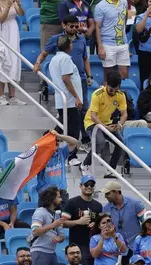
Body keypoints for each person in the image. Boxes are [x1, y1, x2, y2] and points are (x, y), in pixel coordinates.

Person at [34, 15, 91, 117]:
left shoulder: (82, 39)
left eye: (76, 27)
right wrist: (38, 63)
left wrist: (89, 75)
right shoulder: (56, 39)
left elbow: (85, 58)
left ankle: (84, 132)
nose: (74, 29)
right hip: (66, 80)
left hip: (81, 78)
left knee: (84, 109)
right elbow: (44, 54)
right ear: (63, 25)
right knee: (68, 112)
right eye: (71, 26)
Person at [80, 71, 129, 177]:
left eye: (115, 89)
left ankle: (110, 169)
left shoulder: (120, 95)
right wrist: (104, 127)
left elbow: (124, 114)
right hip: (92, 123)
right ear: (106, 84)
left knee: (121, 143)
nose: (112, 91)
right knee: (100, 141)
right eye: (111, 89)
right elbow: (93, 115)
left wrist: (119, 125)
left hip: (108, 124)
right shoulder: (97, 94)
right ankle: (85, 165)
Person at [46, 36, 84, 167]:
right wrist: (76, 97)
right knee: (73, 129)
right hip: (69, 100)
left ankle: (47, 142)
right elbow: (66, 79)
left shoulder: (54, 59)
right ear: (69, 45)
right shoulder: (66, 59)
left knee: (62, 127)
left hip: (63, 100)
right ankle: (71, 156)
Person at [0, 0, 26, 106]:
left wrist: (18, 5)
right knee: (1, 61)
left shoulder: (12, 1)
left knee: (13, 60)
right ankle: (1, 96)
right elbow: (0, 19)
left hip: (13, 32)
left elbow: (21, 14)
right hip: (1, 32)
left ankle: (12, 96)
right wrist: (8, 7)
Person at [62, 174, 103, 265]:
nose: (89, 187)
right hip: (77, 245)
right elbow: (62, 223)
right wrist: (78, 222)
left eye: (91, 185)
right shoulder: (72, 202)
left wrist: (95, 225)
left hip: (94, 245)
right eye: (86, 184)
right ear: (81, 186)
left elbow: (101, 225)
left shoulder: (98, 206)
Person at [30, 186, 65, 265]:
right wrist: (53, 224)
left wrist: (60, 238)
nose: (61, 199)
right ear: (51, 198)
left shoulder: (56, 214)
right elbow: (35, 231)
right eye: (58, 197)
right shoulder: (40, 212)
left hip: (52, 253)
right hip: (39, 252)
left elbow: (62, 236)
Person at [102, 181, 147, 253]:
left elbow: (147, 223)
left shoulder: (135, 203)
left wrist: (143, 239)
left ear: (116, 192)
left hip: (137, 246)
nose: (105, 196)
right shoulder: (106, 208)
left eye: (108, 193)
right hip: (118, 247)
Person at [35, 129, 79, 201]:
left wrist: (59, 135)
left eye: (58, 141)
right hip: (46, 193)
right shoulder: (39, 156)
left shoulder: (61, 152)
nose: (57, 143)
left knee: (64, 212)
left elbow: (75, 142)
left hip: (61, 193)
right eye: (54, 140)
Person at [94, 0, 129, 80]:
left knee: (124, 76)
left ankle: (121, 93)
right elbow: (97, 27)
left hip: (123, 44)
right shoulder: (100, 6)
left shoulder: (124, 2)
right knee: (108, 76)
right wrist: (100, 46)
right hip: (107, 44)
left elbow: (125, 20)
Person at [136, 9, 151, 88]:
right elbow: (138, 30)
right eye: (150, 1)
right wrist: (146, 15)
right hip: (144, 52)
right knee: (144, 78)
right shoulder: (141, 16)